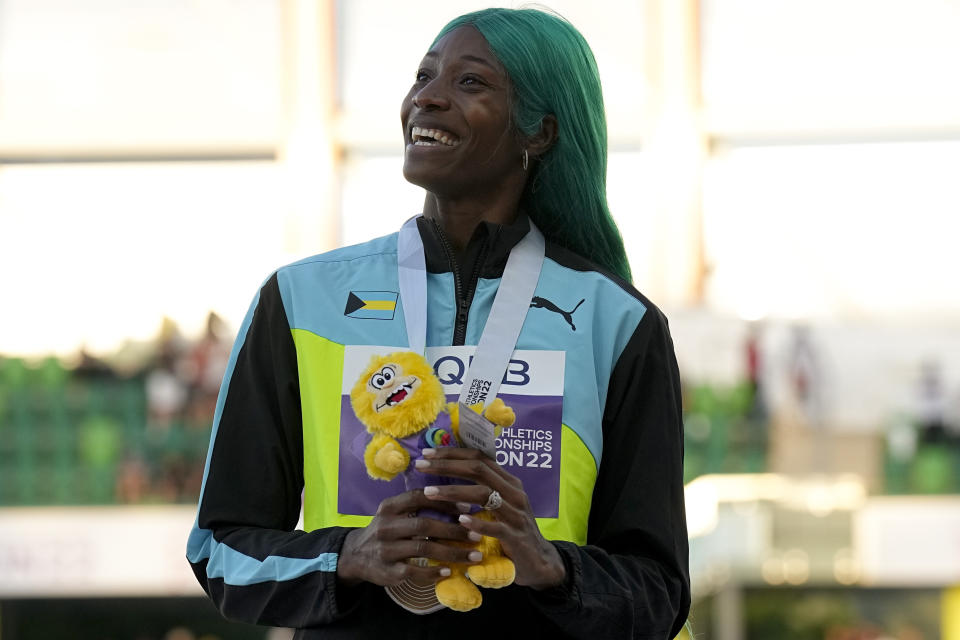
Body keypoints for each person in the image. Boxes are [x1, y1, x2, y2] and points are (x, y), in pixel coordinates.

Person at [187, 8, 690, 639]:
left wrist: (553, 568)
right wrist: (347, 557)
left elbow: (660, 594)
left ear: (539, 133)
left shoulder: (618, 322)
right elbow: (218, 551)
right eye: (423, 76)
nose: (426, 97)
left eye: (470, 83)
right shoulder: (299, 299)